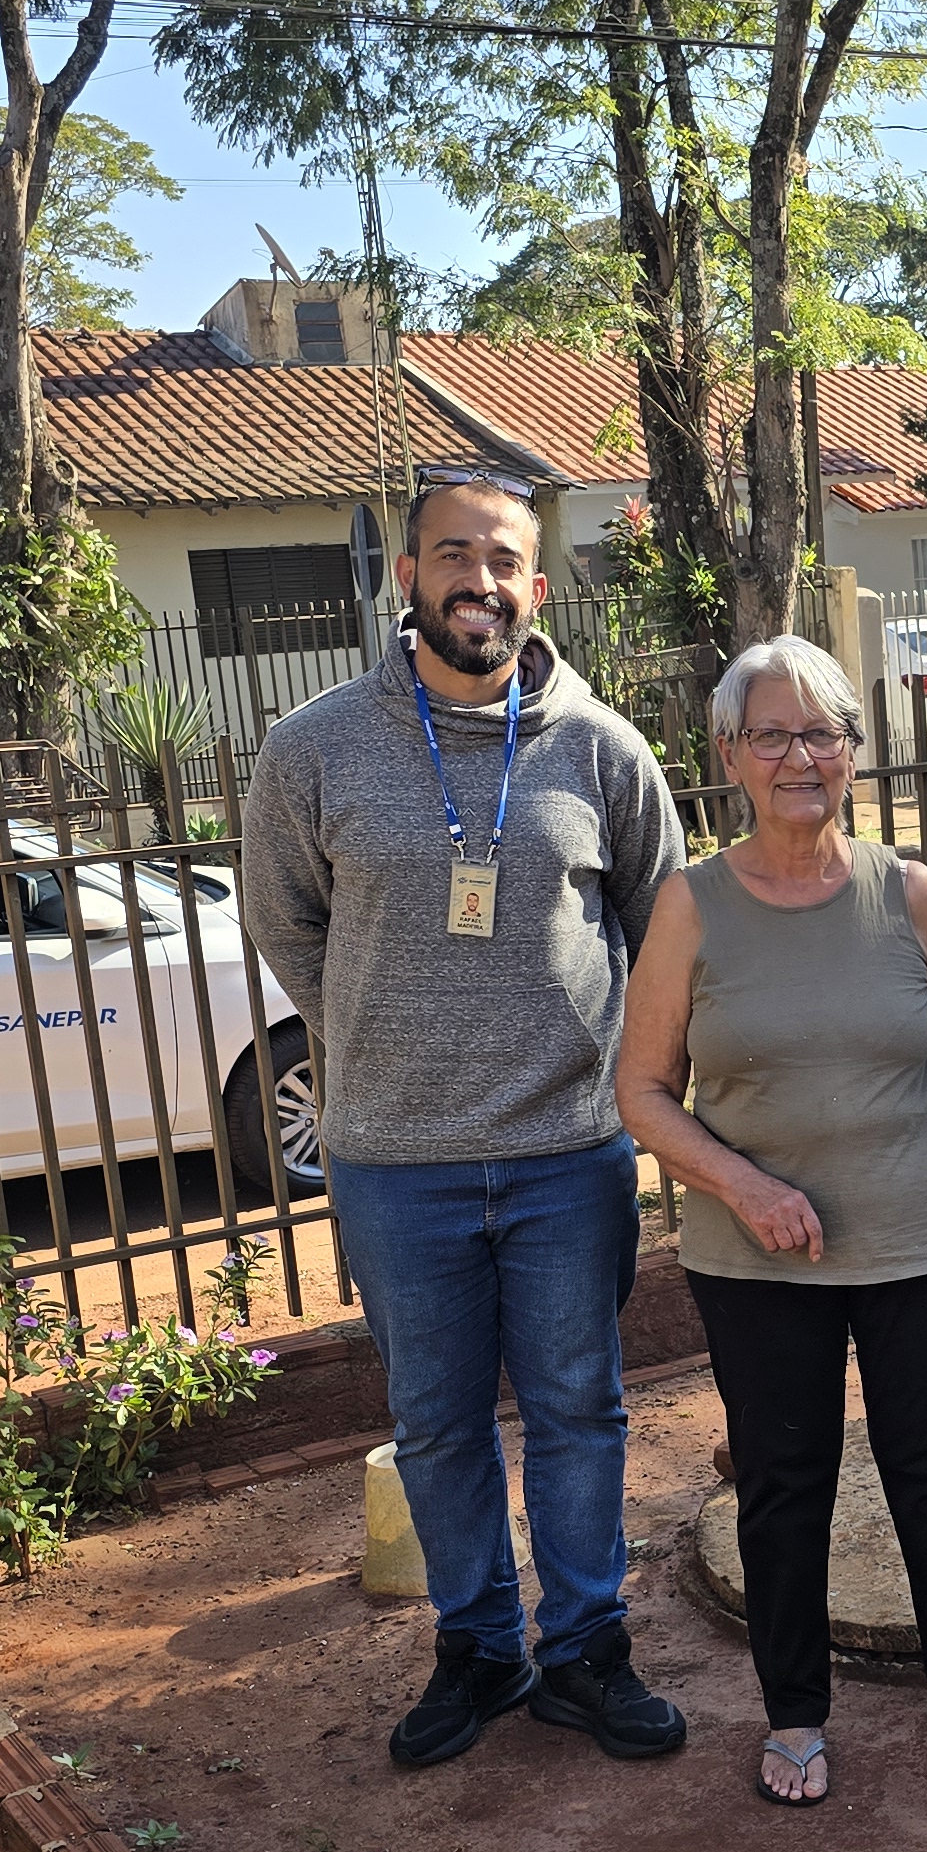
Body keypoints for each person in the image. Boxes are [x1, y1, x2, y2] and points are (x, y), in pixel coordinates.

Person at [241, 468, 691, 1771]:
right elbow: (284, 921)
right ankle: (480, 1648)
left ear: (535, 587)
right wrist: (381, 1033)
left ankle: (587, 1651)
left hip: (569, 1157)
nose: (477, 582)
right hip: (396, 1164)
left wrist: (612, 1072)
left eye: (501, 561)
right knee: (437, 1425)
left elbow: (662, 926)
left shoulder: (601, 749)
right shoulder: (314, 747)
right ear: (408, 576)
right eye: (452, 555)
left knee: (579, 1413)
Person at [613, 635, 927, 1807]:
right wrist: (744, 1182)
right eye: (771, 735)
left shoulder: (907, 892)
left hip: (921, 1239)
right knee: (783, 1480)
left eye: (821, 733)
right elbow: (641, 1089)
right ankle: (795, 1710)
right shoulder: (690, 903)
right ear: (728, 754)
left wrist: (871, 1128)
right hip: (752, 1255)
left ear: (852, 749)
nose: (798, 756)